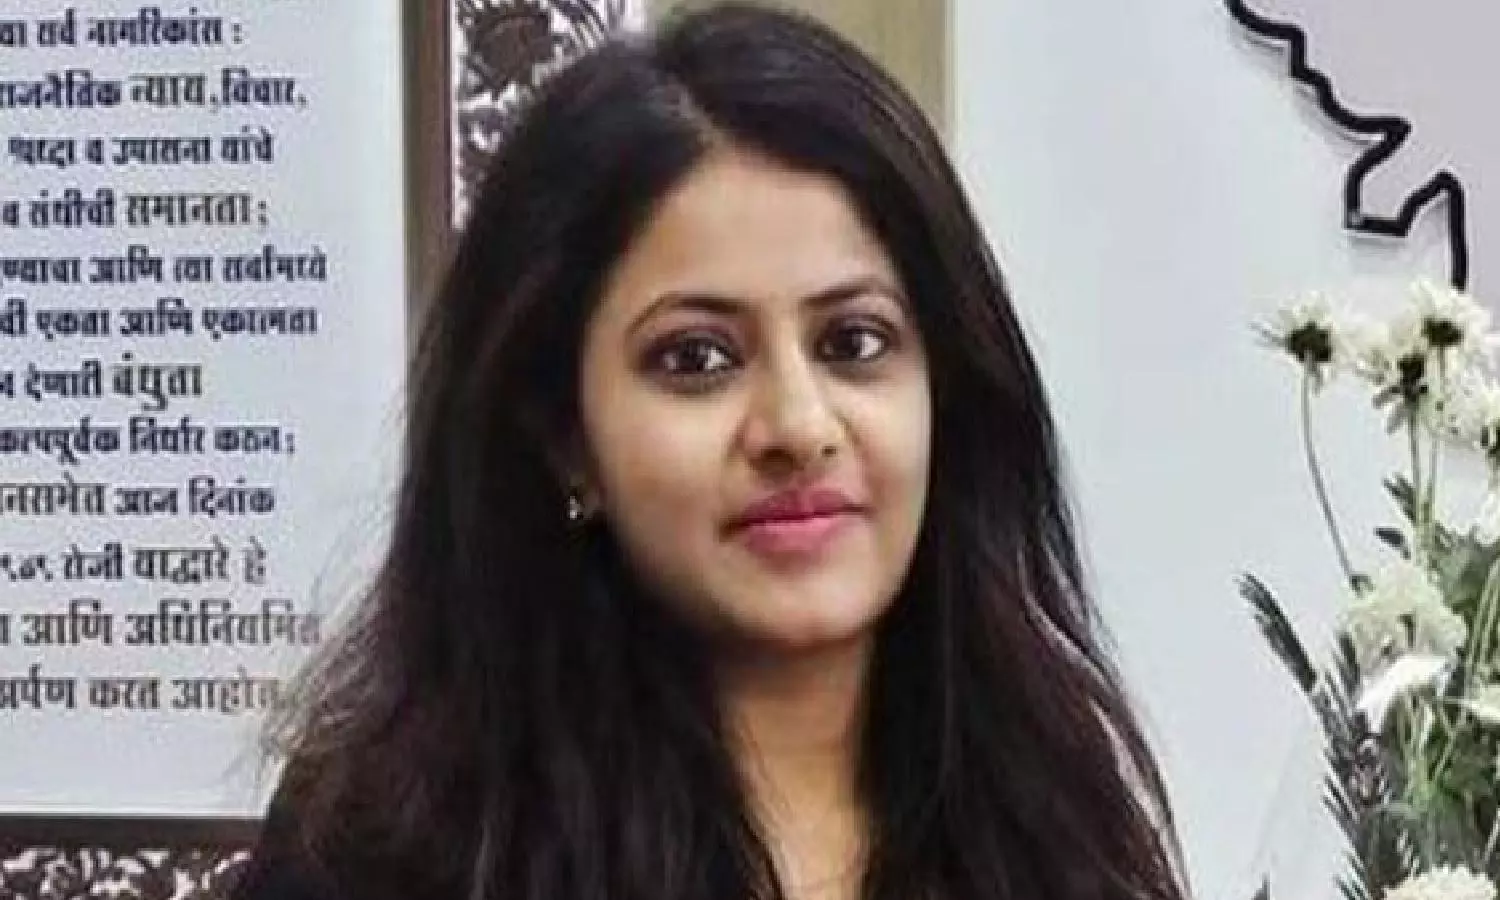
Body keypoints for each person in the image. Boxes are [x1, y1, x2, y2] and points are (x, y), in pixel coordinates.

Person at [232, 3, 1190, 899]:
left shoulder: (1055, 819)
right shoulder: (391, 851)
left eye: (854, 342)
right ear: (565, 437)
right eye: (696, 359)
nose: (800, 427)